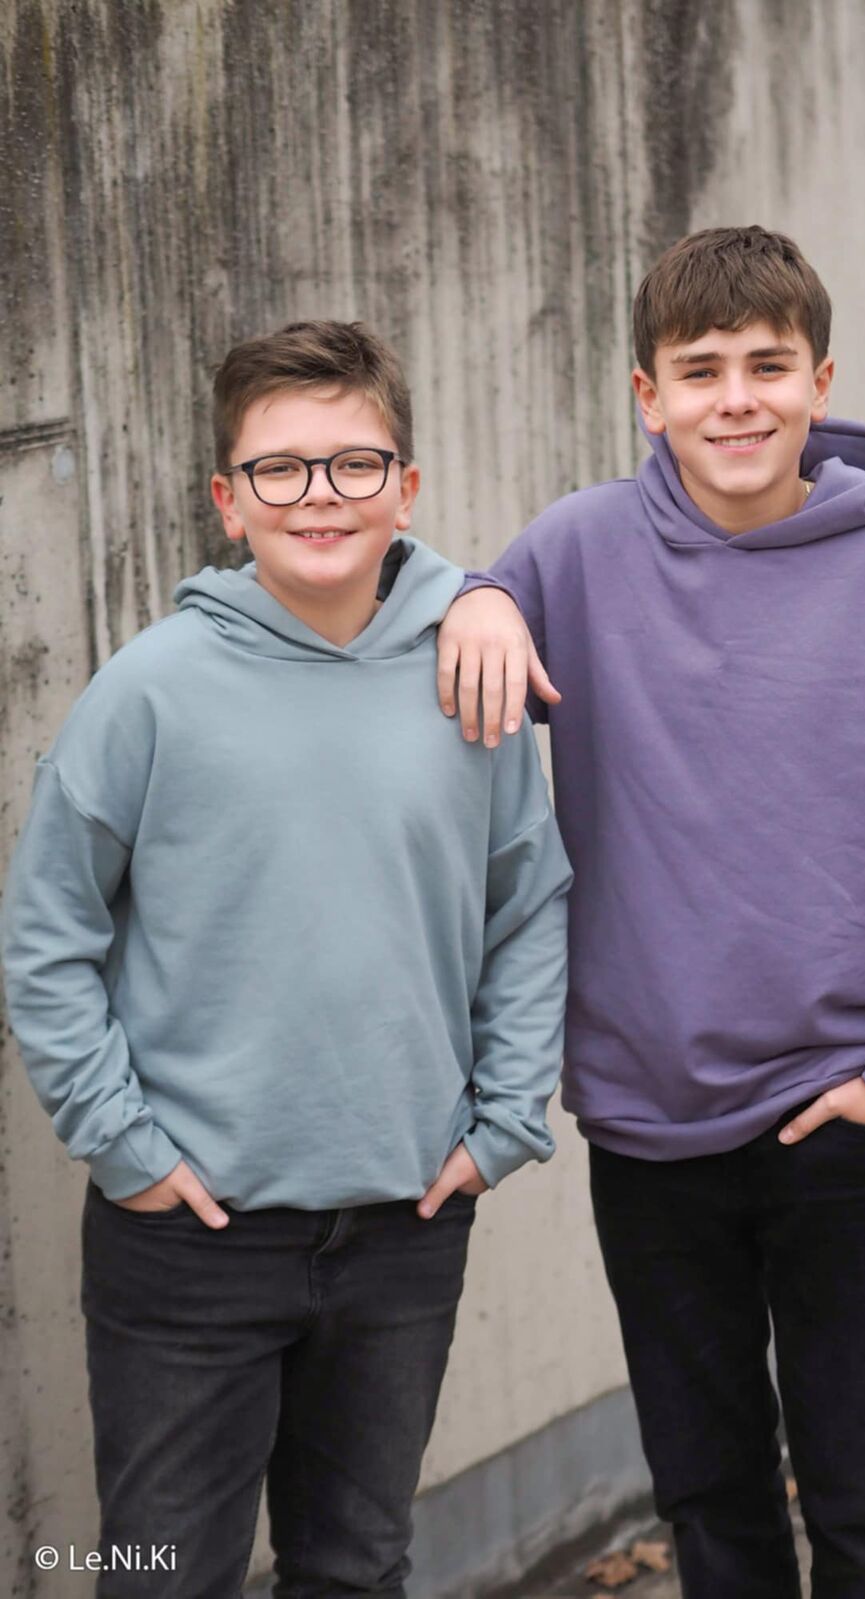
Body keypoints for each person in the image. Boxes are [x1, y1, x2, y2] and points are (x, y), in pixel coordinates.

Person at [436, 226, 865, 1597]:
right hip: (650, 1127)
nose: (736, 398)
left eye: (767, 364)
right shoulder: (575, 550)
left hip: (848, 1119)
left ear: (820, 382)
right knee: (710, 1506)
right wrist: (472, 593)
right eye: (698, 371)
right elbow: (446, 611)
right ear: (647, 396)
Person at [1, 320, 572, 1599]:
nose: (319, 494)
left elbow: (529, 905)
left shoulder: (466, 680)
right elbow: (48, 933)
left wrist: (501, 1122)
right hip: (188, 1235)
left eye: (353, 463)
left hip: (403, 1226)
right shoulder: (148, 691)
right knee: (160, 1573)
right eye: (280, 467)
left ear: (404, 489)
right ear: (228, 498)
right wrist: (124, 1146)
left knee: (356, 1568)